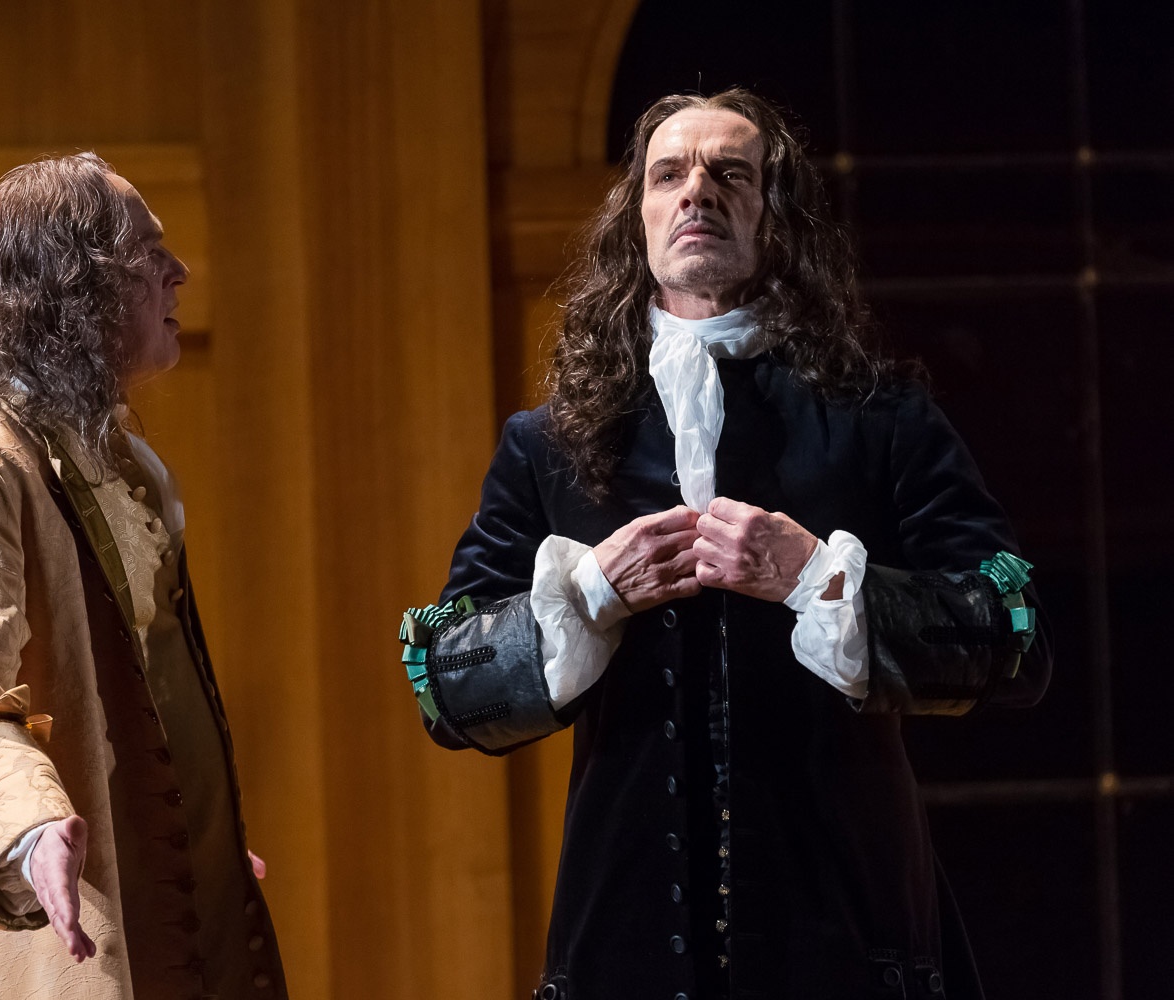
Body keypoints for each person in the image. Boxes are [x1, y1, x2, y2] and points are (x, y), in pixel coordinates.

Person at [396, 89, 1051, 999]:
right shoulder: (549, 443)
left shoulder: (882, 419)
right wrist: (588, 594)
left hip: (844, 938)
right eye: (668, 174)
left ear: (777, 219)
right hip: (622, 943)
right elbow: (448, 689)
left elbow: (1014, 637)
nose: (696, 190)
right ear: (637, 220)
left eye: (730, 174)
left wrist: (818, 579)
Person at [0, 152, 286, 1000]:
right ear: (75, 286)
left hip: (163, 926)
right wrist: (28, 832)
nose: (179, 271)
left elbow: (142, 696)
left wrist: (184, 839)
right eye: (148, 253)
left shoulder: (114, 463)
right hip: (47, 944)